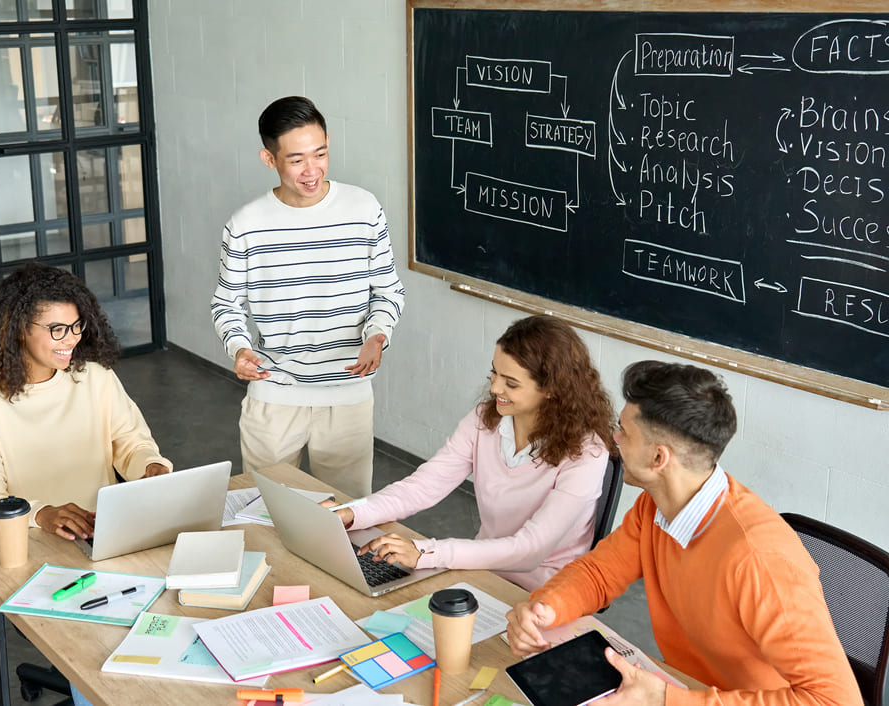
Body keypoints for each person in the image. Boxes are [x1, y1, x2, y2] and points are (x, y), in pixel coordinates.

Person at [505, 361, 862, 706]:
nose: (614, 439)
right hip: (685, 690)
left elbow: (835, 700)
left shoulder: (760, 560)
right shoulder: (655, 506)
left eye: (624, 431)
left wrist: (667, 699)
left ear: (659, 458)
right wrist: (546, 608)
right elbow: (599, 573)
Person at [327, 315, 615, 591]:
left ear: (552, 389)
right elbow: (423, 486)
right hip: (482, 570)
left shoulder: (587, 453)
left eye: (511, 383)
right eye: (494, 373)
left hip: (548, 591)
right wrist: (353, 513)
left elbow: (530, 550)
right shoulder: (484, 421)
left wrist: (427, 552)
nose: (494, 388)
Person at [210, 95, 405, 498]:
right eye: (296, 159)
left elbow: (387, 290)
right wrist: (239, 348)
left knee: (348, 520)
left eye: (320, 153)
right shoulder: (245, 224)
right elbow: (226, 304)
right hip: (273, 393)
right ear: (269, 159)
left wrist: (378, 335)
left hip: (348, 396)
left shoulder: (364, 209)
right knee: (265, 513)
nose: (311, 169)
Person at [0, 262, 173, 542]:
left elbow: (132, 443)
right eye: (57, 329)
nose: (71, 339)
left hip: (103, 529)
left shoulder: (96, 378)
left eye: (75, 326)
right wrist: (42, 514)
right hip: (30, 538)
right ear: (18, 329)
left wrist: (150, 466)